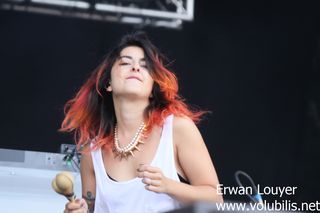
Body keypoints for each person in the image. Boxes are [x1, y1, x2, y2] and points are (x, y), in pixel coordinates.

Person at [60, 31, 223, 213]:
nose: (136, 68)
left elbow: (215, 198)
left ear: (153, 88)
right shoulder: (92, 152)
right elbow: (89, 207)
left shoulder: (176, 129)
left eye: (145, 66)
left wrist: (169, 186)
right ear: (108, 83)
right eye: (125, 63)